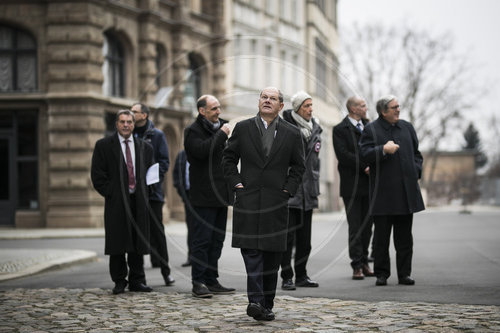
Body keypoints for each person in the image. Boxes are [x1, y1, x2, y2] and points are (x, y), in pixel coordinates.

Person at [223, 87, 305, 321]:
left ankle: (266, 303)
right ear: (259, 102)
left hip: (276, 203)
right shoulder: (244, 128)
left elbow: (299, 167)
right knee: (252, 252)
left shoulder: (291, 133)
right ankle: (255, 301)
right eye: (264, 97)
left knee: (271, 255)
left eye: (273, 99)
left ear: (281, 106)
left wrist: (288, 189)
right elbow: (228, 159)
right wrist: (237, 183)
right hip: (248, 200)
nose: (267, 101)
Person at [359, 95, 425, 286]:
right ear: (383, 111)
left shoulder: (407, 127)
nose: (398, 110)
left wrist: (416, 171)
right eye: (394, 107)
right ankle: (382, 274)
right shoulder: (371, 129)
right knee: (381, 239)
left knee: (404, 238)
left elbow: (417, 155)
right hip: (383, 195)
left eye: (398, 106)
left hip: (406, 194)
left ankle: (404, 274)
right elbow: (364, 154)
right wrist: (382, 150)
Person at [91, 109, 155, 294]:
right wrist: (111, 193)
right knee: (117, 240)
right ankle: (119, 280)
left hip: (139, 201)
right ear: (116, 124)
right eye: (122, 122)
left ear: (134, 124)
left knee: (138, 241)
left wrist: (147, 191)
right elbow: (97, 175)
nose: (126, 125)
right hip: (117, 202)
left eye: (129, 122)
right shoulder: (103, 145)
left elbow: (151, 174)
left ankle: (137, 280)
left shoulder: (145, 147)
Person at [184, 94, 235, 298]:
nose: (218, 112)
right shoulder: (192, 131)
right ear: (202, 111)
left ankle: (211, 280)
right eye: (214, 108)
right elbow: (202, 151)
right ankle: (198, 281)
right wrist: (222, 134)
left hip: (221, 195)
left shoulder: (223, 127)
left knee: (217, 240)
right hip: (202, 196)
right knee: (202, 241)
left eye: (219, 107)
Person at [280, 91, 321, 290]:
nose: (310, 109)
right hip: (291, 191)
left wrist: (315, 186)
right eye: (306, 106)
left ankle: (302, 275)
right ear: (297, 109)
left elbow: (315, 164)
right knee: (287, 239)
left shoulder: (316, 129)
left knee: (305, 240)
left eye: (311, 105)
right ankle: (287, 276)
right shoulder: (285, 128)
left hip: (309, 192)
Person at [131, 102, 175, 286]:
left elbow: (164, 162)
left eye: (135, 111)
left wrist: (151, 180)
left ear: (145, 115)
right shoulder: (129, 134)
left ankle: (166, 272)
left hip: (153, 193)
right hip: (133, 193)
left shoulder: (157, 135)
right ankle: (137, 276)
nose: (131, 114)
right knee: (135, 234)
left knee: (158, 233)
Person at [332, 96, 375, 280]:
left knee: (368, 227)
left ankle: (365, 261)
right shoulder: (340, 129)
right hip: (352, 185)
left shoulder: (370, 127)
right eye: (363, 105)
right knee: (355, 227)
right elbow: (343, 155)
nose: (366, 108)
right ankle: (356, 265)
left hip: (370, 184)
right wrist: (364, 166)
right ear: (353, 108)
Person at [172, 149, 193, 267]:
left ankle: (205, 258)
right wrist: (182, 192)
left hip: (201, 195)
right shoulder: (181, 155)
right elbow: (176, 175)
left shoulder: (200, 152)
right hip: (188, 195)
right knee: (191, 227)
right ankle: (191, 257)